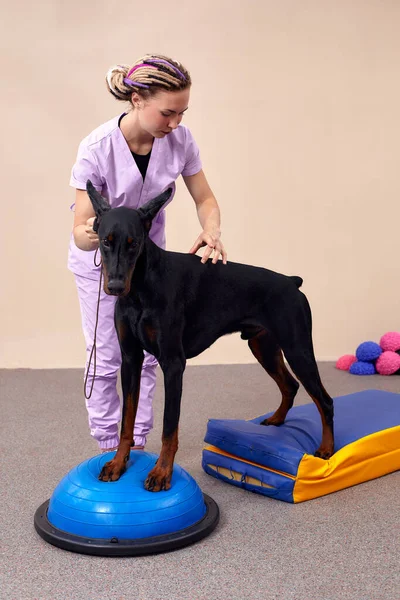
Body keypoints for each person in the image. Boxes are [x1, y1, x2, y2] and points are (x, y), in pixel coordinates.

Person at [68, 54, 227, 452]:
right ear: (137, 100)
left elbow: (205, 198)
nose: (175, 123)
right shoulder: (96, 148)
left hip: (152, 267)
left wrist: (212, 229)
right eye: (168, 113)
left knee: (154, 354)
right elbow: (79, 231)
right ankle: (109, 442)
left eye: (182, 112)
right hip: (102, 266)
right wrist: (94, 237)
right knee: (107, 358)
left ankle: (136, 442)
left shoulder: (181, 141)